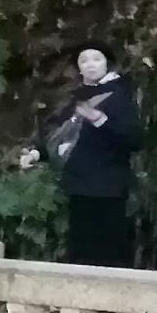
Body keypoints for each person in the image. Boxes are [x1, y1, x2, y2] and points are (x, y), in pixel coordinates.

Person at [16, 43, 141, 267]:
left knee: (110, 250)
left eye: (96, 59)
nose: (90, 64)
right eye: (84, 61)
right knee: (81, 248)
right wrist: (35, 153)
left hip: (108, 186)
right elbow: (58, 137)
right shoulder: (74, 98)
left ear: (107, 63)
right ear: (78, 69)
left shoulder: (120, 95)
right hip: (77, 185)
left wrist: (100, 120)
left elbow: (135, 140)